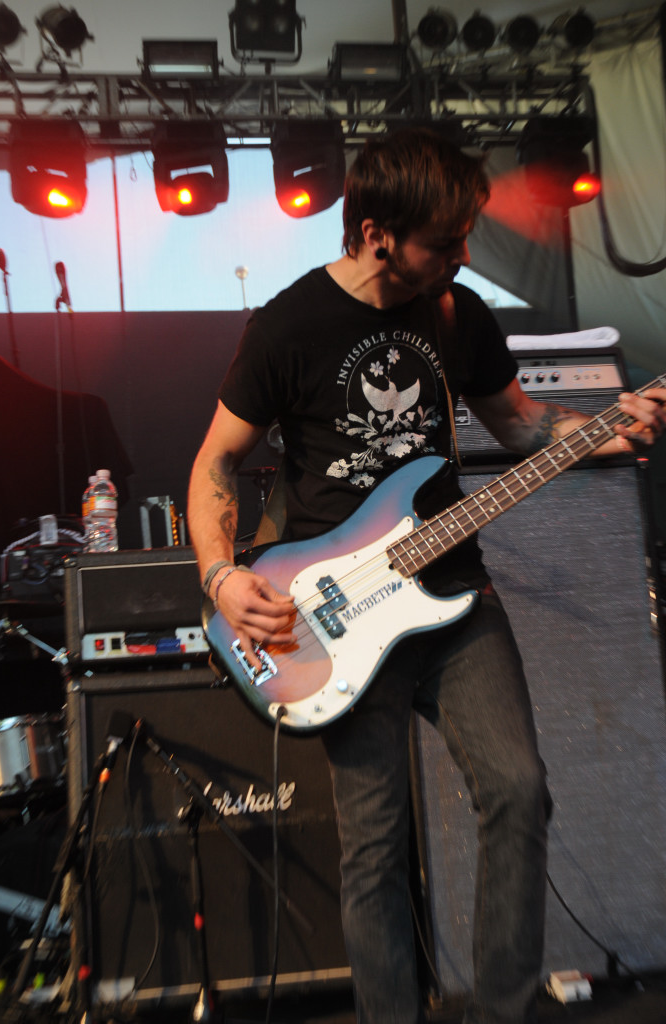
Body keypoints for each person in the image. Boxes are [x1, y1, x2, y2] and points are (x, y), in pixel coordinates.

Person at [188, 129, 666, 1024]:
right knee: (375, 847)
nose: (464, 256)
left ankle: (501, 1011)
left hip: (454, 594)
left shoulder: (457, 314)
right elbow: (215, 463)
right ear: (376, 235)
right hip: (330, 616)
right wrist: (220, 577)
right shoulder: (287, 326)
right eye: (445, 242)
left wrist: (611, 425)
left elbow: (520, 425)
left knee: (518, 790)